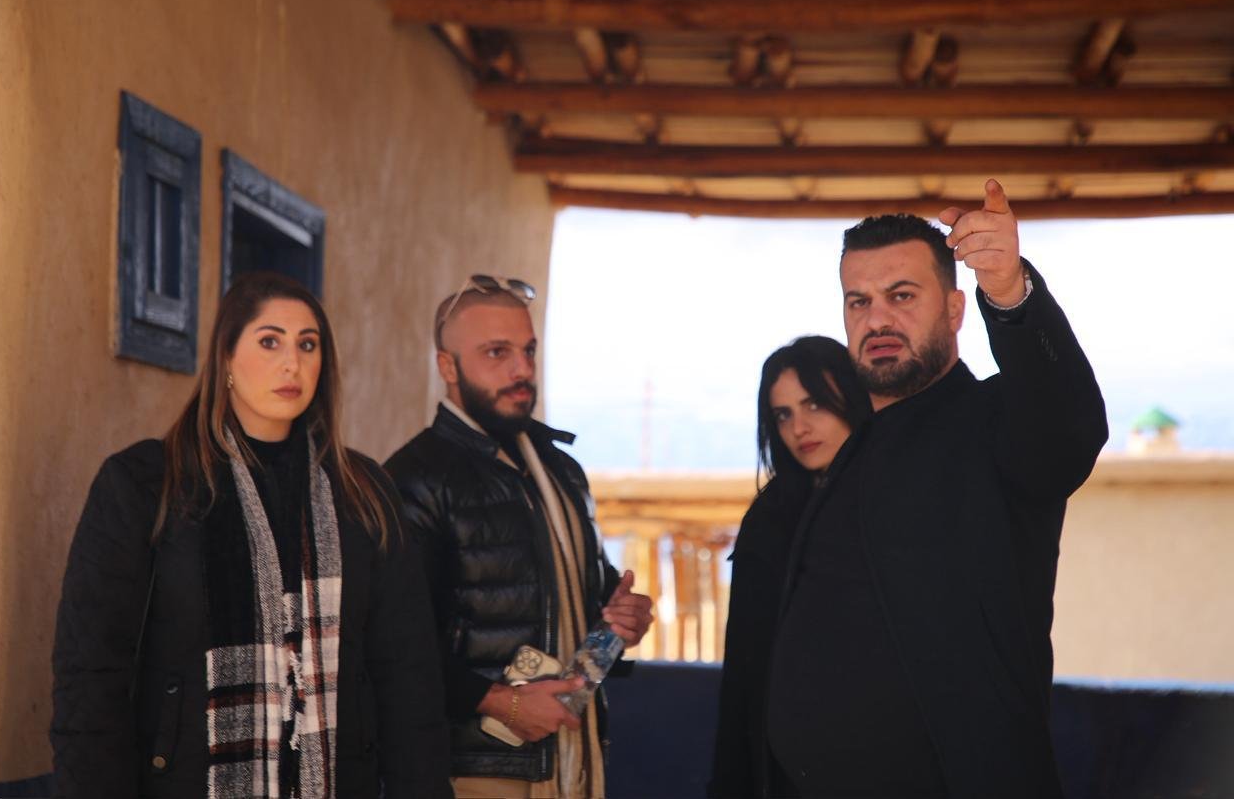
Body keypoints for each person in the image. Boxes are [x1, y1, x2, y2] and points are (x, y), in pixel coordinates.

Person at [51, 271, 452, 799]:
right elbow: (91, 672)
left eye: (307, 345)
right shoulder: (147, 485)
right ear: (225, 359)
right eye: (269, 342)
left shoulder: (362, 493)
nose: (292, 364)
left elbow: (408, 674)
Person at [765, 180, 1108, 798]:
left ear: (953, 310)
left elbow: (1067, 431)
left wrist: (1009, 292)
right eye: (858, 302)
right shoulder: (850, 452)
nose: (877, 319)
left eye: (901, 296)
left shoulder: (993, 424)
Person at [383, 275, 655, 799]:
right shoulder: (415, 479)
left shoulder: (561, 471)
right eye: (497, 353)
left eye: (528, 351)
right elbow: (398, 646)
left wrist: (624, 618)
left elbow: (591, 600)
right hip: (478, 772)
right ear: (447, 367)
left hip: (576, 760)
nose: (522, 370)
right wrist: (502, 703)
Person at [708, 336, 871, 799]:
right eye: (783, 414)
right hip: (783, 766)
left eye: (814, 404)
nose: (800, 427)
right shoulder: (768, 520)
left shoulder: (894, 505)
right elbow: (744, 674)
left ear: (850, 399)